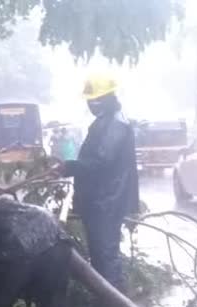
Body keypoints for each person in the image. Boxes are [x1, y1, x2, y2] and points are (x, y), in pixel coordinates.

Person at [61, 75, 139, 294]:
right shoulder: (107, 121)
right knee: (100, 254)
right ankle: (108, 304)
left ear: (108, 98)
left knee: (105, 255)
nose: (92, 105)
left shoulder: (115, 124)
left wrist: (69, 167)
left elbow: (101, 162)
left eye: (96, 100)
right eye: (90, 101)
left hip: (108, 201)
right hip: (100, 200)